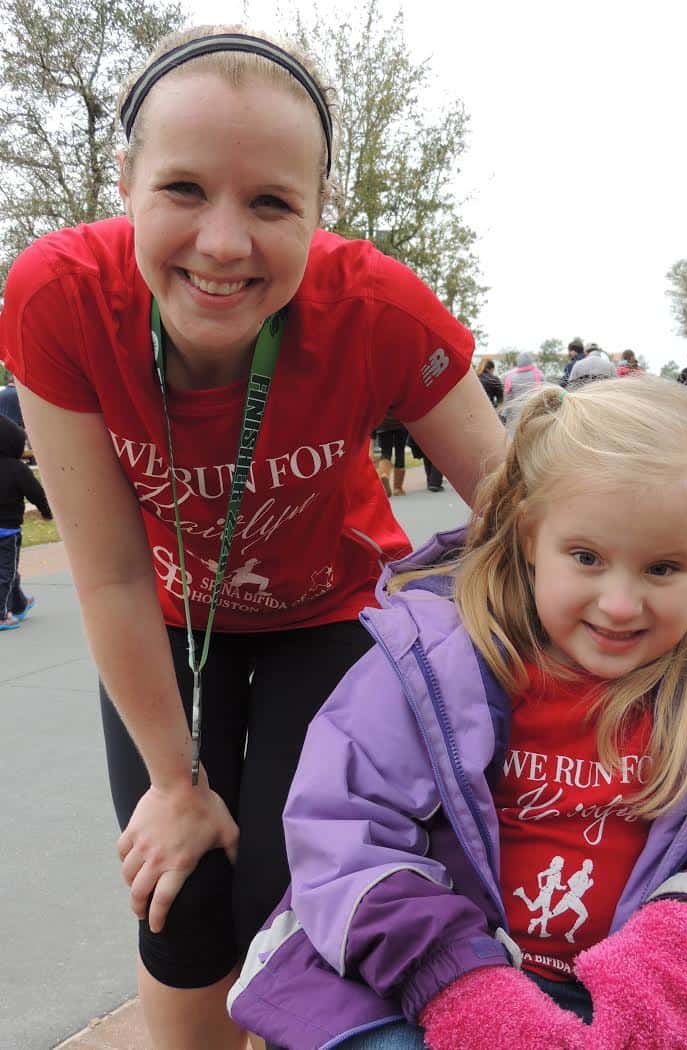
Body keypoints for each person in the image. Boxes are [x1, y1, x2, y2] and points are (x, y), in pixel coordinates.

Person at [0, 24, 507, 1050]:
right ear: (125, 178)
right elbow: (103, 572)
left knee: (293, 907)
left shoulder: (378, 307)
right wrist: (177, 786)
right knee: (180, 897)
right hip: (164, 618)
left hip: (325, 615)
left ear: (322, 210)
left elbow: (519, 510)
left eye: (272, 202)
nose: (224, 244)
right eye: (183, 189)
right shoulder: (55, 295)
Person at [229, 375, 687, 1050]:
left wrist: (682, 941)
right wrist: (458, 982)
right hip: (417, 982)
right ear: (529, 536)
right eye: (587, 558)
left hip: (629, 993)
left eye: (663, 569)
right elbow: (345, 836)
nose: (620, 603)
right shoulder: (427, 667)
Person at [0, 415, 51, 629]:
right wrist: (46, 511)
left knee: (7, 569)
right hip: (7, 531)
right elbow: (35, 493)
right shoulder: (16, 468)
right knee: (6, 571)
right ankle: (2, 615)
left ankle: (19, 604)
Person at [502, 351, 543, 425]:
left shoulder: (510, 377)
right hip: (534, 414)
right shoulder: (539, 375)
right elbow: (544, 395)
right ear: (531, 361)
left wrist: (505, 413)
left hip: (516, 415)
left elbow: (508, 399)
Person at [375, 416, 409, 497]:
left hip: (383, 424)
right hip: (400, 424)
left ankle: (384, 474)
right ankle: (397, 488)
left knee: (386, 452)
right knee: (400, 452)